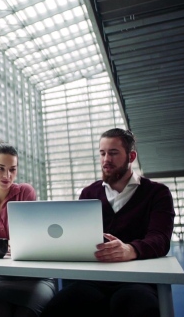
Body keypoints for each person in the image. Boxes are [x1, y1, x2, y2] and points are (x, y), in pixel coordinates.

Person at [42, 128, 175, 317]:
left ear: (131, 156)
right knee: (56, 309)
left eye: (113, 153)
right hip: (93, 279)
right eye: (102, 153)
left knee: (137, 308)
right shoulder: (88, 193)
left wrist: (130, 249)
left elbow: (160, 239)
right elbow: (78, 237)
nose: (106, 160)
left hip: (137, 280)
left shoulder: (157, 193)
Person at [0, 143, 56, 317]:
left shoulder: (25, 192)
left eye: (12, 170)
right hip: (1, 278)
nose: (7, 176)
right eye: (1, 168)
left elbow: (32, 237)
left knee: (24, 314)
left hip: (35, 278)